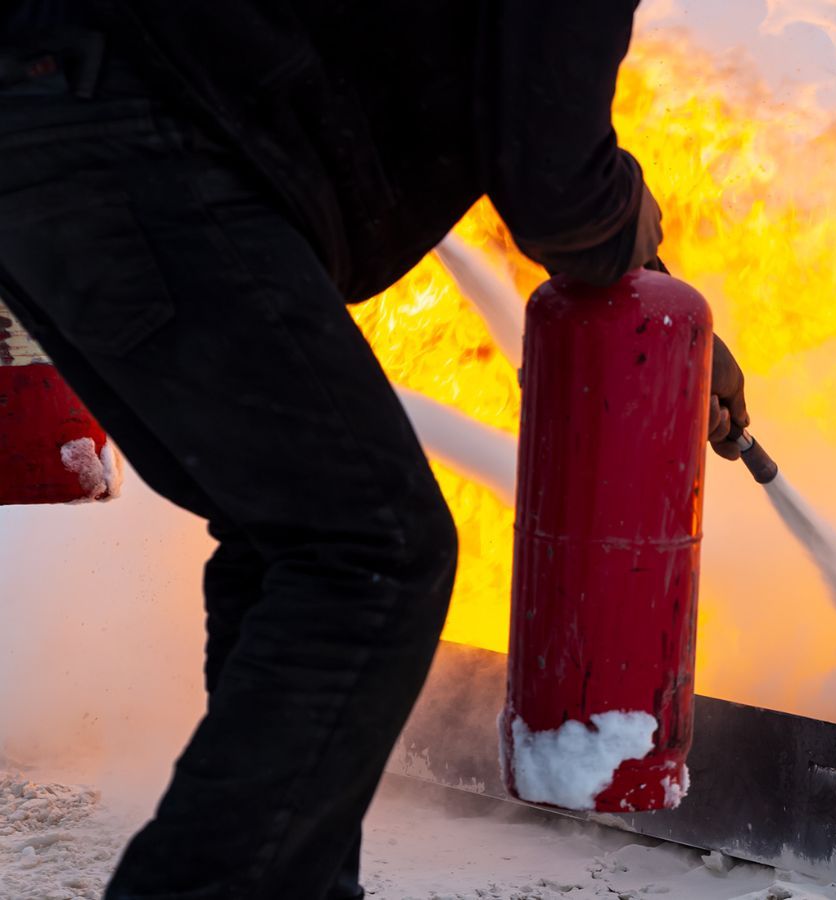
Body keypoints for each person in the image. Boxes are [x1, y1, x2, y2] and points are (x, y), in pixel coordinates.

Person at [0, 1, 750, 897]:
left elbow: (512, 134)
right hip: (134, 135)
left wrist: (650, 287)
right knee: (374, 548)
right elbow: (553, 183)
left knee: (285, 538)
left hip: (65, 122)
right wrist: (631, 232)